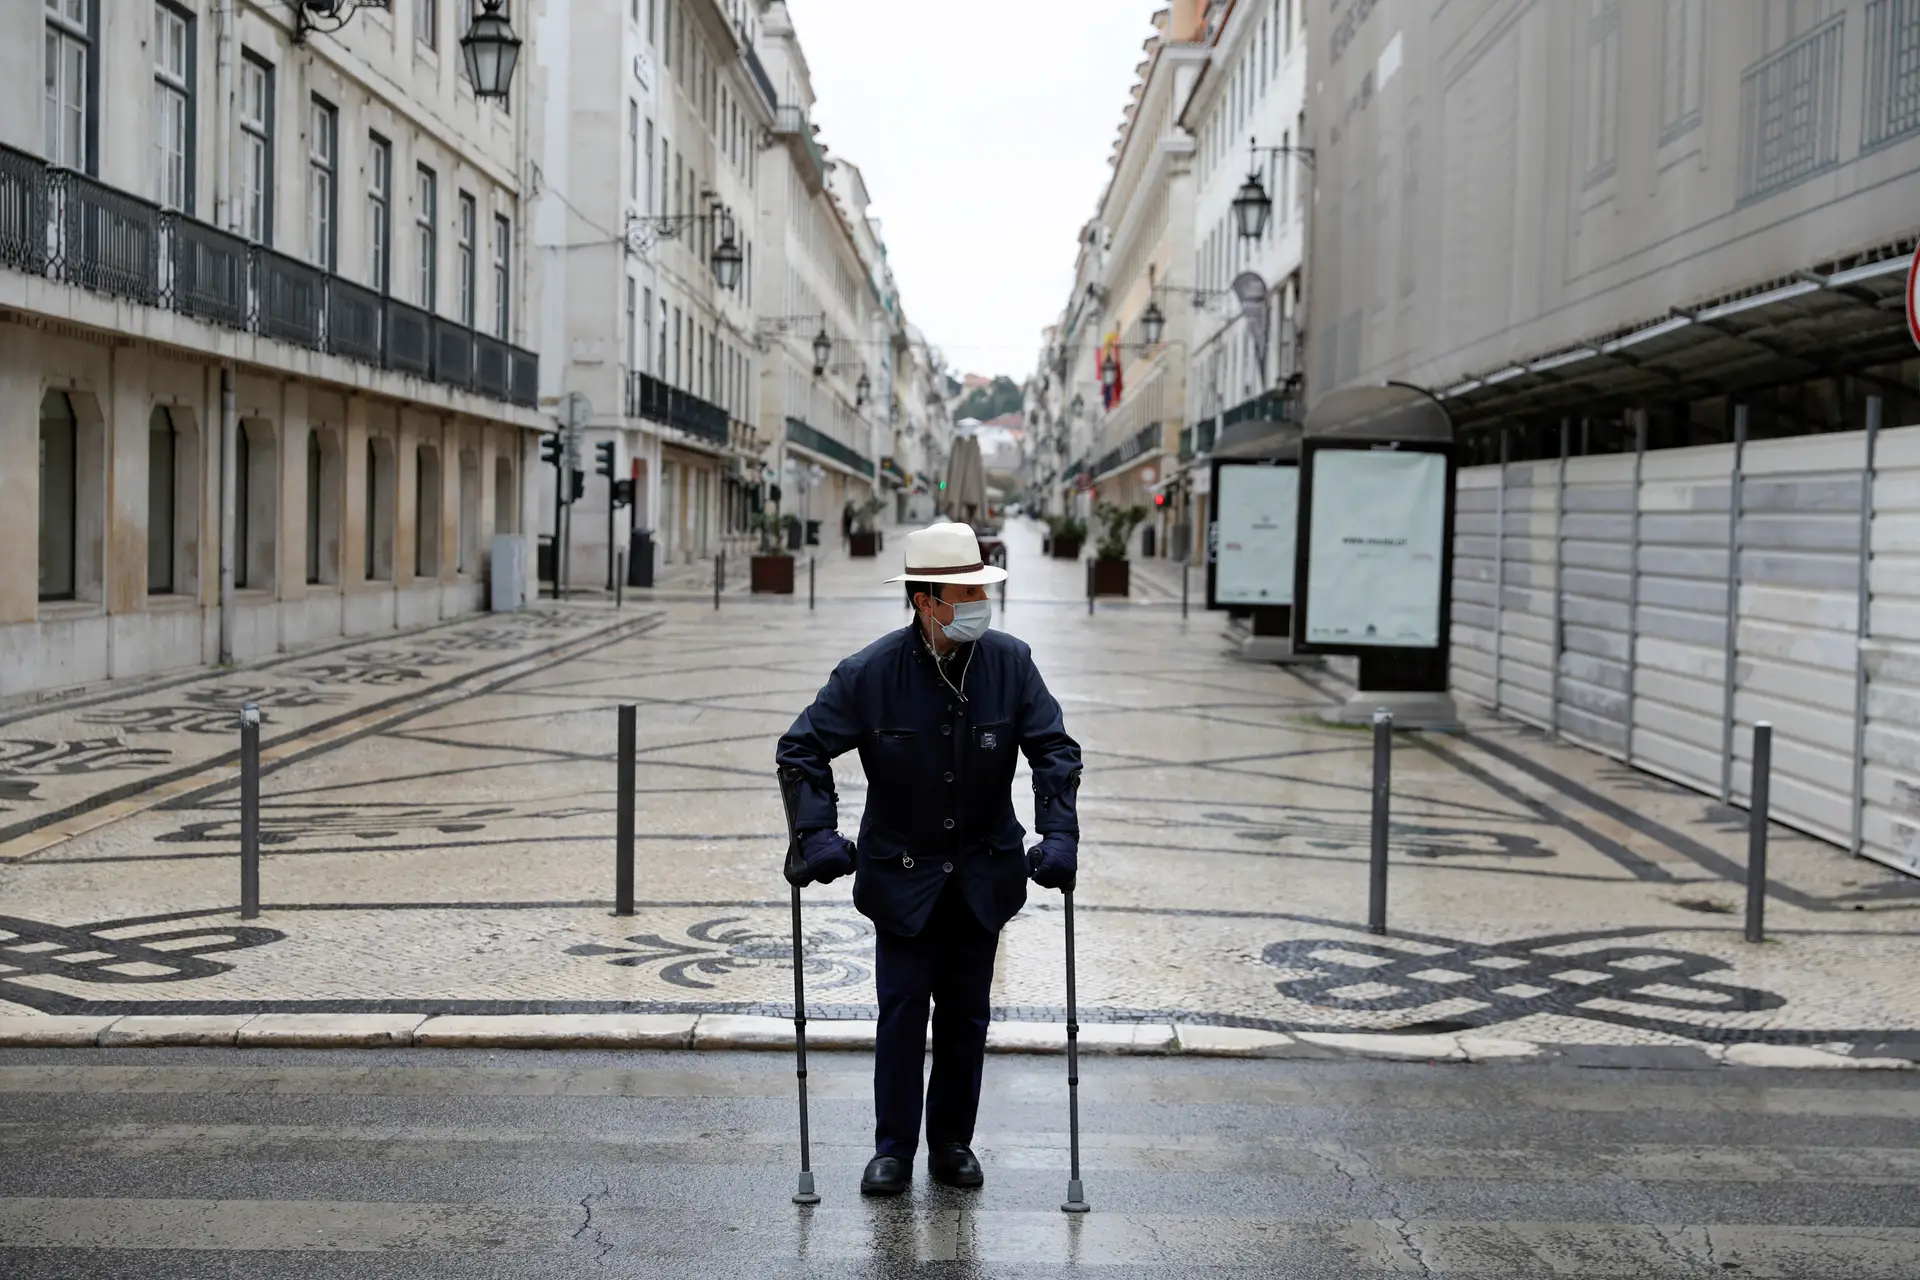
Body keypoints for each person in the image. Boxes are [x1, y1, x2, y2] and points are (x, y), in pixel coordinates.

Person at [775, 521, 1081, 1196]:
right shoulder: (869, 673)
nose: (981, 602)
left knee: (968, 1016)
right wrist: (816, 835)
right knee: (903, 1013)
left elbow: (1054, 749)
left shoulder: (1011, 663)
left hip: (983, 874)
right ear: (926, 601)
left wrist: (1059, 834)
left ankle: (952, 1143)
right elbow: (801, 748)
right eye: (967, 593)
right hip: (902, 878)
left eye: (982, 589)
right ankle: (892, 1149)